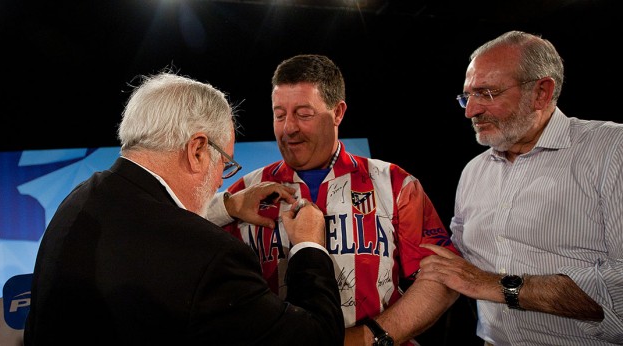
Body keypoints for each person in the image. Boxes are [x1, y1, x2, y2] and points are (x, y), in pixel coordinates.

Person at [23, 71, 345, 345]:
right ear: (197, 149)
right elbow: (315, 336)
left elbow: (151, 224)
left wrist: (228, 206)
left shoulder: (80, 199)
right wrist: (308, 246)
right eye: (225, 163)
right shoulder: (212, 257)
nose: (221, 178)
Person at [205, 54, 460, 345]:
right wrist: (227, 206)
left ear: (337, 113)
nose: (289, 128)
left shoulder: (394, 183)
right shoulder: (244, 192)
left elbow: (443, 276)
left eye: (303, 114)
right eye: (279, 114)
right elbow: (175, 241)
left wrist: (369, 338)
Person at [417, 30, 623, 345]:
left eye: (486, 93)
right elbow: (455, 267)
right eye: (467, 96)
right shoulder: (474, 172)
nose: (470, 111)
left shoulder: (611, 151)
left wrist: (496, 286)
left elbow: (620, 291)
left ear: (541, 92)